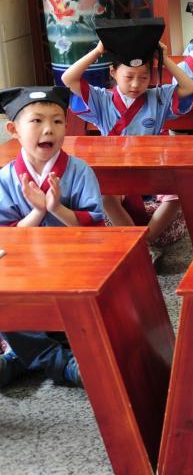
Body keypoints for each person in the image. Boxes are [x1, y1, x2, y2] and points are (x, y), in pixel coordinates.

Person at [60, 18, 193, 263]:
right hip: (116, 170)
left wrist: (164, 59)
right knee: (105, 197)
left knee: (177, 195)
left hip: (153, 168)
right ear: (113, 72)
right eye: (129, 76)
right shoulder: (101, 99)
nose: (136, 84)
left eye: (144, 78)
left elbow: (188, 87)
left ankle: (144, 240)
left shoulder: (158, 96)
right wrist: (98, 51)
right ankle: (144, 244)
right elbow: (68, 79)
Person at [0, 86, 105, 389]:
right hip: (24, 269)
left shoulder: (79, 171)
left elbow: (94, 228)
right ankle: (62, 363)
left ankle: (23, 358)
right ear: (13, 129)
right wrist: (36, 213)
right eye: (36, 121)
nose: (49, 129)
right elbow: (6, 239)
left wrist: (57, 207)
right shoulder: (6, 178)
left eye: (58, 121)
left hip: (74, 266)